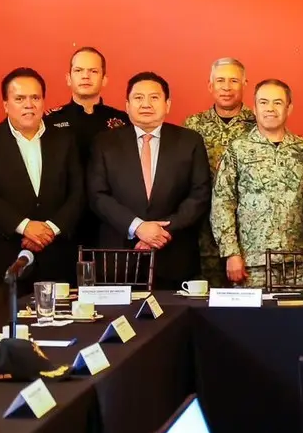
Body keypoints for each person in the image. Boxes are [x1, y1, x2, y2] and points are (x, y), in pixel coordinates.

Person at [0, 68, 84, 314]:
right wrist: (24, 225)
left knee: (60, 340)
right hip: (4, 259)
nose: (28, 105)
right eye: (20, 99)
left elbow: (78, 193)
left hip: (56, 259)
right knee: (1, 341)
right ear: (6, 104)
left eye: (35, 98)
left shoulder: (65, 140)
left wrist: (49, 229)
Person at [85, 72, 211, 289]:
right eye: (138, 98)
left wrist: (161, 232)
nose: (146, 104)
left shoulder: (190, 141)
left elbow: (199, 194)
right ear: (127, 104)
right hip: (120, 256)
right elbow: (97, 195)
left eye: (154, 98)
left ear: (167, 104)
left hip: (174, 255)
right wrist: (138, 227)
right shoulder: (105, 143)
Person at [211, 79, 303, 287]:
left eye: (277, 103)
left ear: (289, 108)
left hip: (297, 261)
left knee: (298, 319)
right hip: (252, 262)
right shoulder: (237, 149)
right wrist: (231, 253)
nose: (270, 108)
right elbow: (223, 202)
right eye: (264, 102)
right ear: (255, 108)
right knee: (253, 320)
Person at [44, 47, 128, 249]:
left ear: (104, 79)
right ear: (68, 77)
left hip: (111, 218)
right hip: (64, 217)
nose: (85, 76)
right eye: (79, 70)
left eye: (93, 71)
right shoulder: (50, 120)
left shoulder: (122, 121)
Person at [184, 58, 256, 286]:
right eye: (220, 80)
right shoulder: (193, 126)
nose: (226, 87)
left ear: (245, 84)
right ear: (210, 85)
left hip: (249, 232)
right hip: (202, 231)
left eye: (233, 81)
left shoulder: (258, 124)